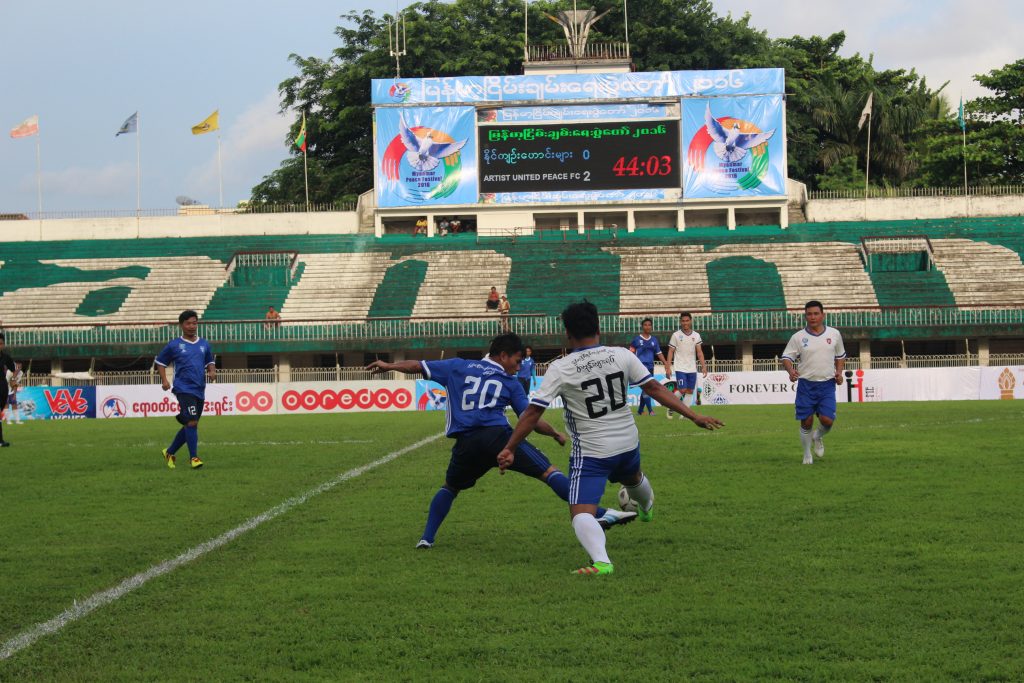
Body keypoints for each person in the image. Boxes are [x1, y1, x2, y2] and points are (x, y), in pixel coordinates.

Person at [497, 301, 723, 576]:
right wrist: (693, 416)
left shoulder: (561, 367)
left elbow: (533, 412)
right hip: (628, 443)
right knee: (633, 477)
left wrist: (510, 447)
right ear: (598, 327)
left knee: (580, 513)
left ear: (568, 333)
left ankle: (602, 561)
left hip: (592, 452)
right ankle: (647, 505)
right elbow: (653, 387)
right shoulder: (621, 355)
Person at [366, 332, 637, 549]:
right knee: (548, 472)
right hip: (498, 438)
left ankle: (427, 537)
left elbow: (416, 365)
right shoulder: (509, 383)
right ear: (503, 355)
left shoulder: (457, 366)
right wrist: (554, 433)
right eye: (517, 361)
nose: (518, 367)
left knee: (450, 487)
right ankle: (601, 512)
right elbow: (528, 418)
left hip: (466, 444)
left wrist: (389, 365)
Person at [781, 300, 846, 465]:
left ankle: (817, 437)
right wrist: (791, 371)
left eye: (816, 313)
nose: (813, 317)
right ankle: (806, 455)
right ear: (805, 316)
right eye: (809, 314)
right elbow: (787, 357)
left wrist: (839, 373)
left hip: (827, 384)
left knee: (827, 421)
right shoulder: (798, 337)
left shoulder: (834, 334)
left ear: (823, 315)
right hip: (806, 385)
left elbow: (840, 356)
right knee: (806, 421)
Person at [155, 310, 217, 470]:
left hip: (200, 389)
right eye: (188, 323)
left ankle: (169, 452)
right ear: (181, 325)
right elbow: (160, 362)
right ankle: (194, 458)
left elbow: (209, 360)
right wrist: (164, 380)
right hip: (183, 388)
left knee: (191, 425)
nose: (192, 326)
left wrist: (212, 370)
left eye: (194, 323)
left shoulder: (204, 344)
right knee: (192, 422)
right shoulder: (174, 345)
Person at [664, 312, 708, 418]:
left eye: (687, 320)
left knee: (690, 391)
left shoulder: (696, 335)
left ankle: (684, 415)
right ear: (680, 322)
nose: (685, 323)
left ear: (691, 321)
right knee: (682, 390)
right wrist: (668, 367)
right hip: (680, 367)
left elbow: (699, 352)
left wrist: (704, 366)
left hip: (692, 368)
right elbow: (670, 351)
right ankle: (671, 406)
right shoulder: (676, 335)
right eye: (683, 321)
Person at [629, 318, 669, 416]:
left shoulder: (654, 340)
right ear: (642, 327)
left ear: (651, 327)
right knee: (647, 388)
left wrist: (665, 363)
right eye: (645, 325)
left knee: (646, 389)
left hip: (651, 367)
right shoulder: (636, 340)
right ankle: (651, 410)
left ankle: (640, 411)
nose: (647, 326)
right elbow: (631, 353)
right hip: (640, 367)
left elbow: (659, 353)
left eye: (649, 325)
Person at [0, 333, 16, 446]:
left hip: (2, 386)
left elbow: (13, 369)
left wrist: (12, 379)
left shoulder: (6, 357)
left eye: (1, 343)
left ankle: (0, 440)